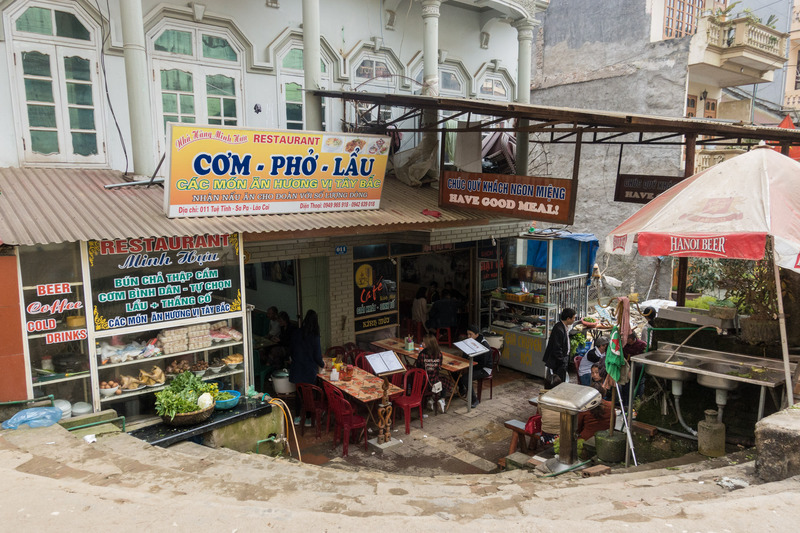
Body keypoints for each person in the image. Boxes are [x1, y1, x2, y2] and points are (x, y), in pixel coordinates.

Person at [289, 309, 324, 423]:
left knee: (299, 394)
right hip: (309, 370)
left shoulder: (297, 333)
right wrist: (323, 365)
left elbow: (291, 349)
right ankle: (308, 419)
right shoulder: (315, 336)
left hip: (297, 368)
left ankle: (297, 418)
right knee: (309, 395)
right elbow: (317, 356)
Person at [542, 307, 576, 386]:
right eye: (573, 318)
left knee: (561, 379)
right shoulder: (558, 328)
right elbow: (557, 348)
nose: (574, 320)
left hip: (562, 359)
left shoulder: (564, 327)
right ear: (568, 319)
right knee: (558, 381)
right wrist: (562, 360)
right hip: (558, 361)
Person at [415, 332, 447, 413]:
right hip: (435, 380)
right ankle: (442, 399)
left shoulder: (422, 355)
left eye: (423, 342)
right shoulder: (439, 354)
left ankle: (430, 399)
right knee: (445, 380)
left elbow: (418, 367)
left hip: (424, 382)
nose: (422, 343)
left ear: (428, 344)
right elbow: (439, 367)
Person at [464, 324, 492, 408]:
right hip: (474, 366)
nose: (468, 336)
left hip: (484, 369)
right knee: (455, 372)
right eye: (467, 334)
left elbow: (483, 363)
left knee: (466, 378)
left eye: (470, 334)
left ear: (476, 334)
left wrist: (470, 368)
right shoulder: (470, 341)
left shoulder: (484, 345)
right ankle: (461, 390)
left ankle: (474, 399)